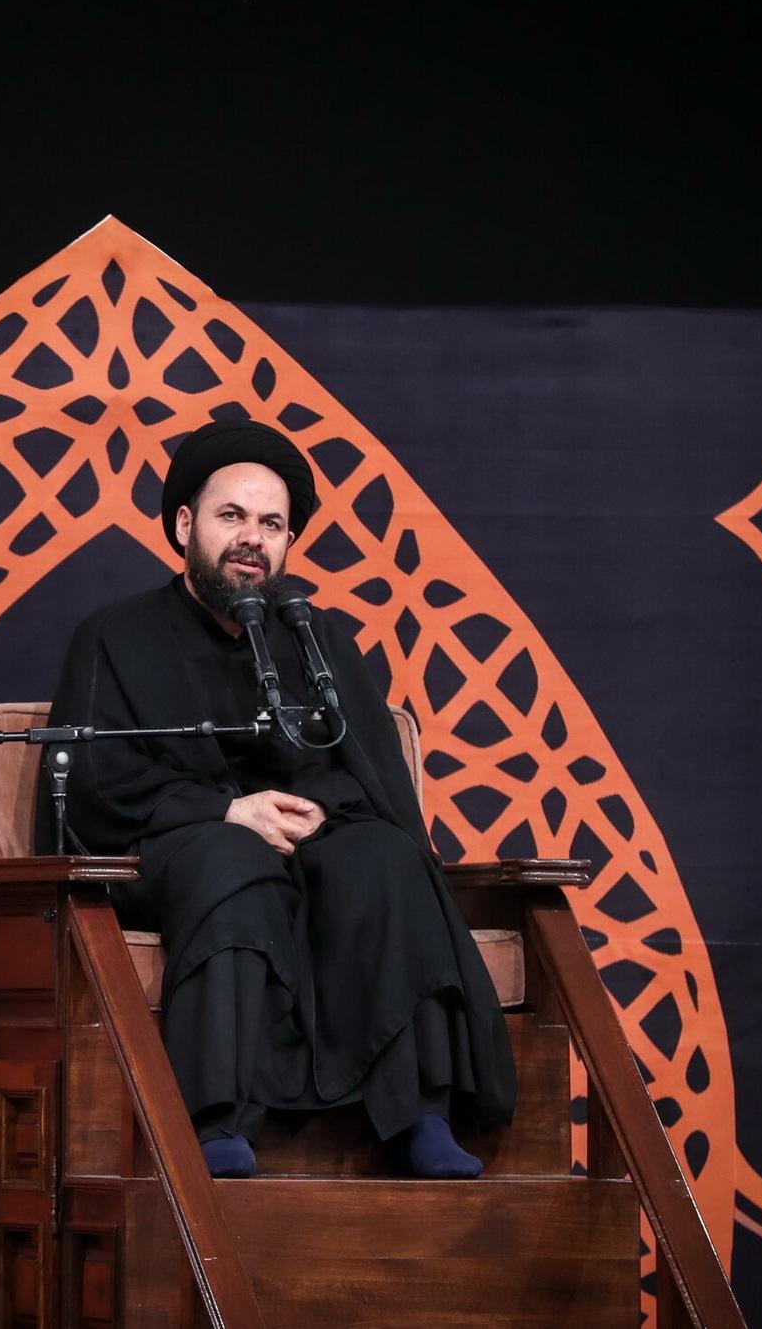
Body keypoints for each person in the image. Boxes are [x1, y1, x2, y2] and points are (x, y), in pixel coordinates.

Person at [40, 418, 516, 1179]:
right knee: (233, 861)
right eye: (231, 516)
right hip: (178, 843)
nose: (251, 539)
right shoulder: (115, 635)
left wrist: (318, 809)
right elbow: (98, 783)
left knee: (383, 856)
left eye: (270, 524)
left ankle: (419, 1115)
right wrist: (229, 811)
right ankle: (218, 1119)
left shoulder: (311, 635)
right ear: (186, 525)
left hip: (305, 840)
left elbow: (365, 769)